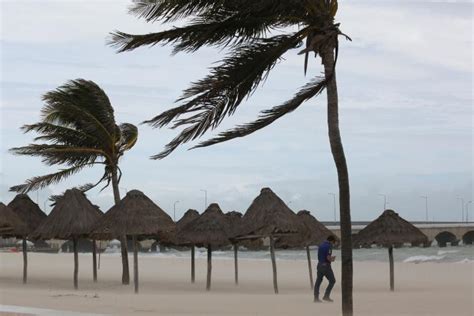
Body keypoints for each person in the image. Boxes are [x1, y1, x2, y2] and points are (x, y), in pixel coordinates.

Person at [314, 235, 337, 302]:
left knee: (318, 282)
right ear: (331, 241)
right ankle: (326, 296)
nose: (333, 244)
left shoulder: (321, 245)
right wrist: (332, 259)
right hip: (326, 266)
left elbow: (321, 255)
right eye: (333, 242)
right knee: (332, 281)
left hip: (319, 265)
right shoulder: (329, 246)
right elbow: (328, 258)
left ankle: (316, 298)